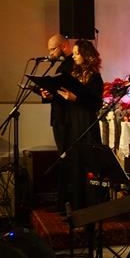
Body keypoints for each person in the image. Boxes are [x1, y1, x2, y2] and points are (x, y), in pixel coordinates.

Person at [57, 39, 105, 210]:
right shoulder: (73, 74)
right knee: (75, 163)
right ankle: (77, 205)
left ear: (86, 55)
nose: (74, 56)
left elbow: (95, 103)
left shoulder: (95, 77)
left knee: (88, 163)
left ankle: (92, 205)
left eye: (77, 53)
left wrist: (75, 98)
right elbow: (66, 98)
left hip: (86, 123)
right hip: (73, 122)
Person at [40, 34, 74, 209]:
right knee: (62, 157)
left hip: (67, 119)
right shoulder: (61, 65)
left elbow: (69, 95)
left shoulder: (71, 65)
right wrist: (47, 94)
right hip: (59, 117)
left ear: (64, 46)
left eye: (53, 49)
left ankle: (65, 201)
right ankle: (62, 200)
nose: (50, 54)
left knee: (66, 158)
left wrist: (53, 93)